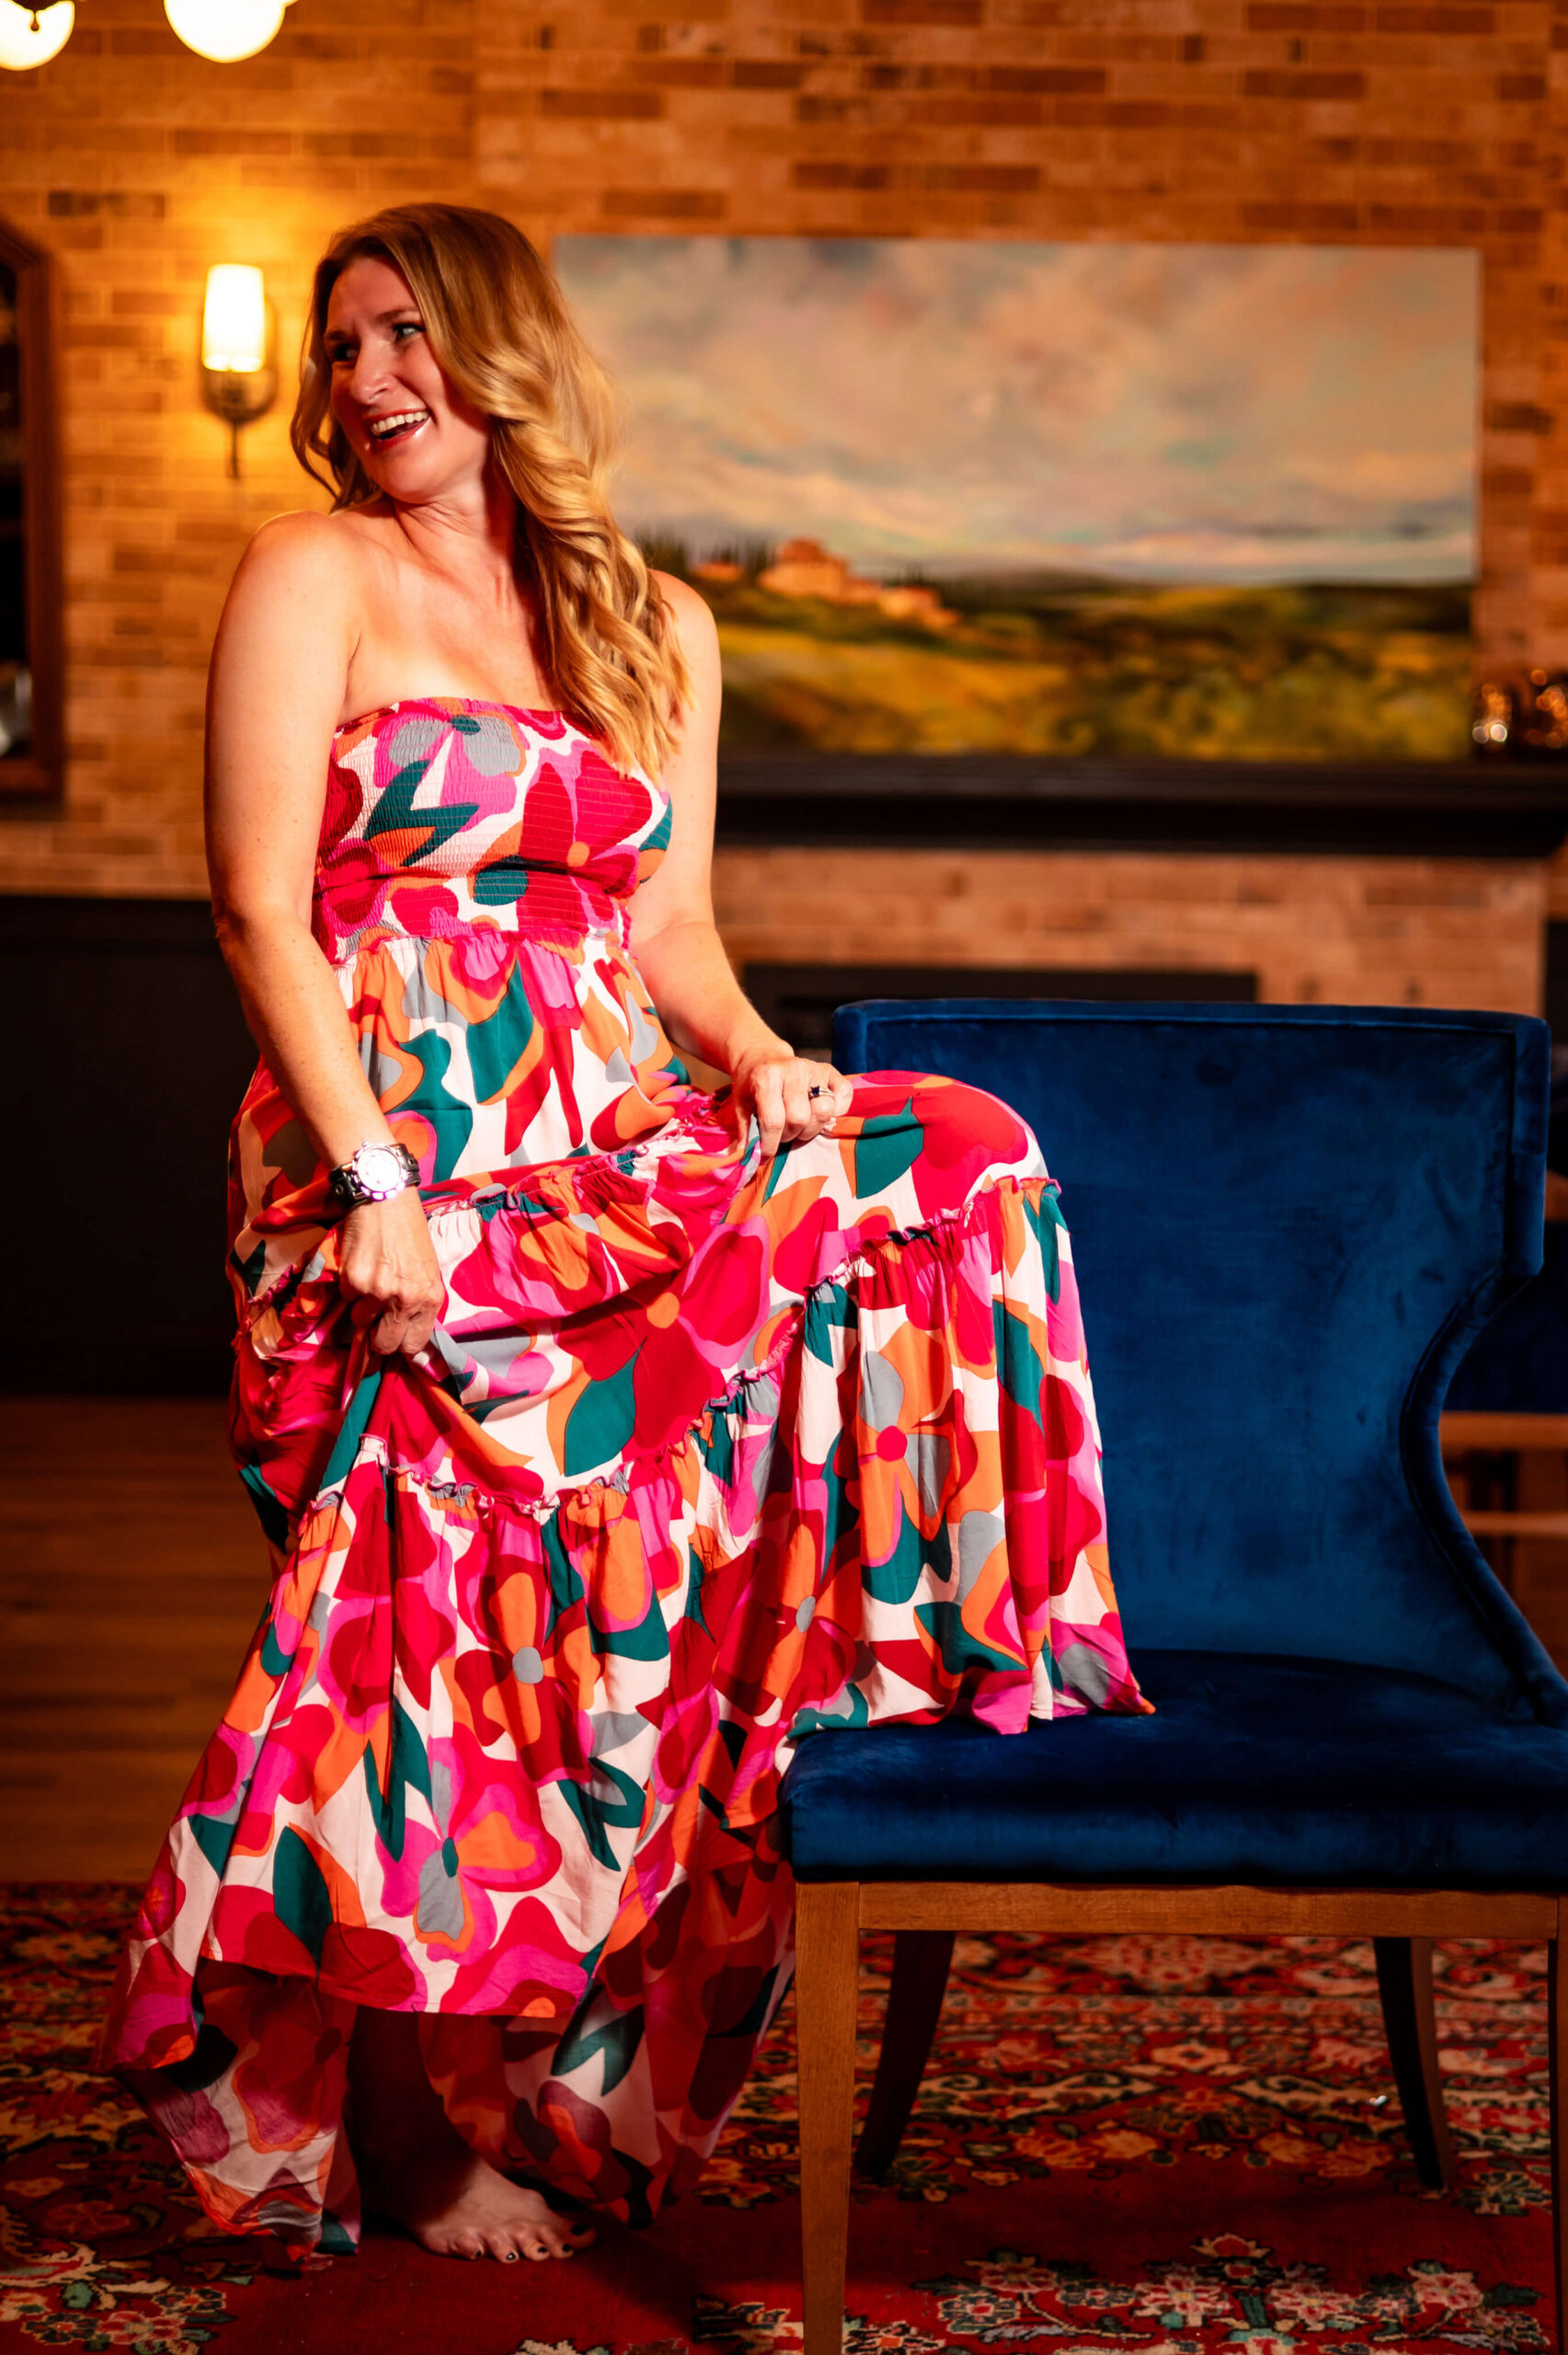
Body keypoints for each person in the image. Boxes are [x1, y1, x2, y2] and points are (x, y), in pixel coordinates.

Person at [98, 201, 1147, 2270]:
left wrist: (760, 1058)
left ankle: (924, 1642)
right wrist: (381, 1185)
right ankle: (395, 2134)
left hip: (615, 1146)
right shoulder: (310, 569)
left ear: (501, 350)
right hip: (387, 1175)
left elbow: (663, 920)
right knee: (420, 1642)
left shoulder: (655, 618)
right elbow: (253, 903)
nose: (368, 377)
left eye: (406, 333)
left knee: (946, 1151)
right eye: (341, 347)